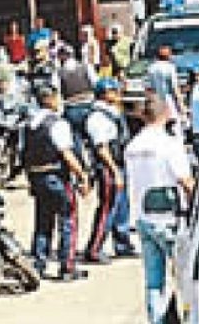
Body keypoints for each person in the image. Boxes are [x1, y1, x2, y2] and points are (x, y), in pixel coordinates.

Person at [125, 94, 195, 324]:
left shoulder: (133, 146)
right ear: (166, 114)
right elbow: (185, 181)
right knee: (185, 277)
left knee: (154, 281)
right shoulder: (168, 145)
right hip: (169, 218)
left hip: (142, 218)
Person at [23, 86, 92, 282]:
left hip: (37, 176)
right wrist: (82, 175)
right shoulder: (57, 124)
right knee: (68, 219)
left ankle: (38, 264)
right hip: (56, 175)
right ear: (51, 99)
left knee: (42, 222)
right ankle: (67, 266)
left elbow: (24, 154)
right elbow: (67, 153)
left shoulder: (30, 124)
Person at [82, 79, 136, 264]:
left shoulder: (112, 112)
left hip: (119, 163)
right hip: (108, 167)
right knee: (108, 209)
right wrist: (115, 171)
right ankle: (94, 249)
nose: (117, 92)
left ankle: (123, 244)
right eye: (113, 90)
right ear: (104, 94)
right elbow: (101, 148)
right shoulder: (97, 117)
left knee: (122, 207)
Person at [146, 46, 186, 137]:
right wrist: (182, 106)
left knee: (160, 127)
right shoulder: (170, 67)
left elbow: (148, 88)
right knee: (174, 127)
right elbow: (175, 89)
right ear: (168, 55)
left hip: (156, 101)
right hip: (168, 100)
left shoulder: (151, 68)